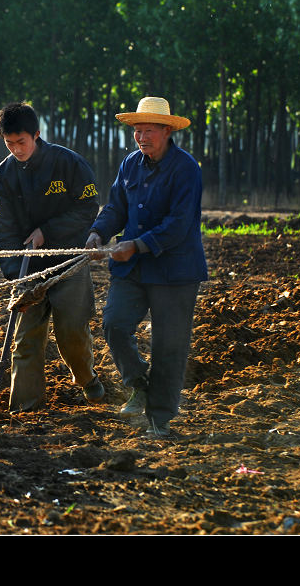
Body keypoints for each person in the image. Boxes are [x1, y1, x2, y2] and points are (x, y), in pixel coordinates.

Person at [85, 96, 207, 437]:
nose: (141, 138)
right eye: (137, 131)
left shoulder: (186, 169)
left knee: (170, 344)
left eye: (149, 131)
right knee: (114, 324)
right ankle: (138, 384)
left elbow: (179, 223)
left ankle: (160, 418)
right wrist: (98, 232)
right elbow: (116, 207)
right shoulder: (130, 165)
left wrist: (136, 244)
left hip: (175, 270)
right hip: (134, 267)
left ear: (167, 131)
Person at [0, 101, 103, 412]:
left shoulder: (68, 163)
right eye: (9, 143)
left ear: (37, 135)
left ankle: (87, 380)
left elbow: (87, 208)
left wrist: (47, 231)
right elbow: (3, 227)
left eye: (21, 142)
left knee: (71, 334)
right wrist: (16, 274)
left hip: (69, 262)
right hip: (29, 269)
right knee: (25, 341)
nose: (16, 149)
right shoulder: (4, 175)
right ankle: (26, 407)